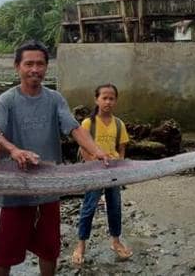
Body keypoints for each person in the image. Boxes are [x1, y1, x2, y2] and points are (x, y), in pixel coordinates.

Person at [0, 40, 109, 276]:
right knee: (4, 254)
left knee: (49, 249)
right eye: (29, 64)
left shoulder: (54, 99)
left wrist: (96, 150)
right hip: (14, 190)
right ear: (17, 67)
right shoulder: (7, 100)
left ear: (46, 67)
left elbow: (74, 128)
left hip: (48, 189)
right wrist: (14, 150)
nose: (35, 69)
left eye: (40, 64)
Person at [71, 83, 132, 265]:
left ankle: (115, 241)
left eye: (111, 98)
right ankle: (81, 244)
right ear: (96, 100)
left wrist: (119, 166)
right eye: (104, 98)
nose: (108, 102)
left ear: (115, 101)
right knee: (89, 207)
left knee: (115, 206)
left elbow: (121, 149)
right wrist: (93, 167)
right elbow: (83, 148)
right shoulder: (89, 123)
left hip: (113, 173)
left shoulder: (119, 124)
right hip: (95, 173)